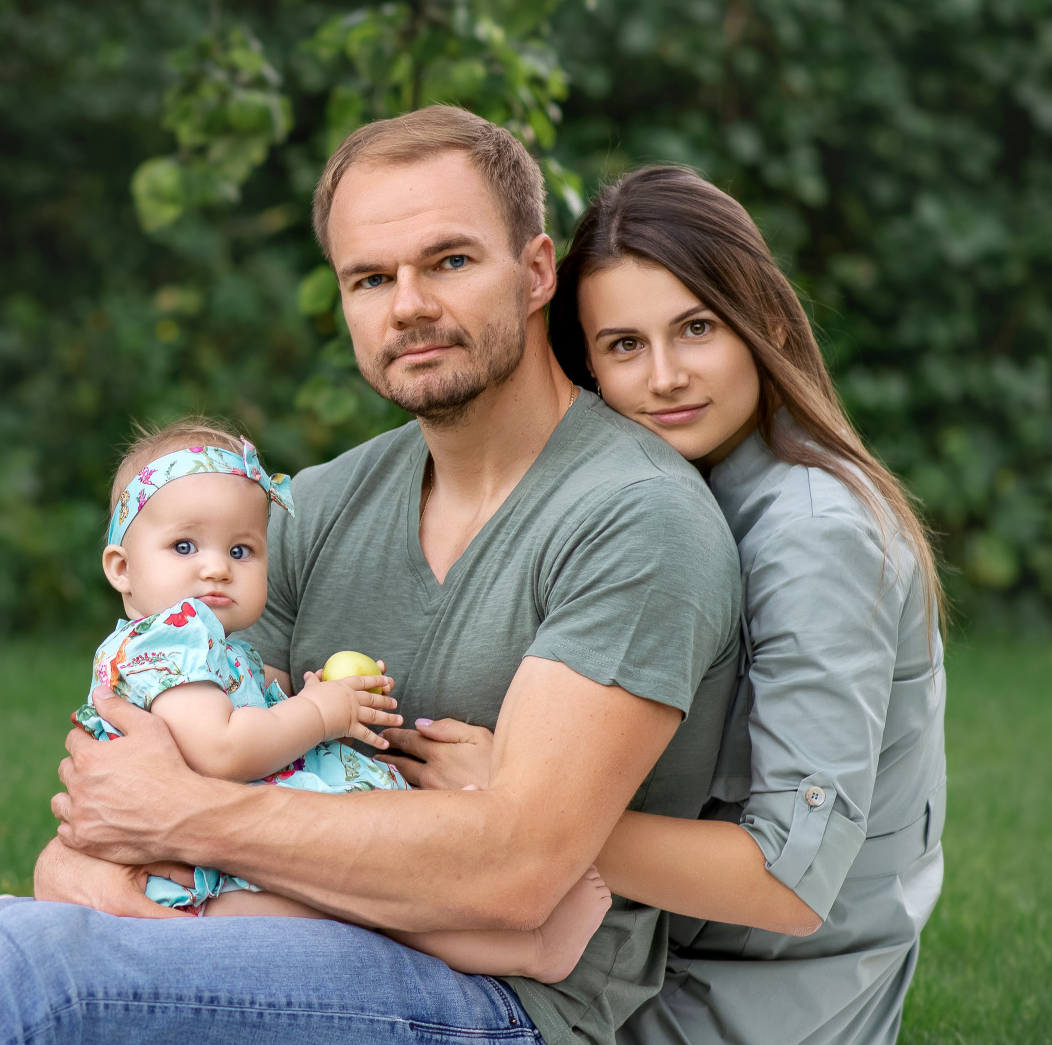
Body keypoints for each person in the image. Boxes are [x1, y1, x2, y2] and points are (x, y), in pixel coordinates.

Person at [0, 107, 742, 1045]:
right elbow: (107, 798)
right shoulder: (313, 506)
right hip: (290, 919)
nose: (410, 306)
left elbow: (515, 875)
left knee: (41, 974)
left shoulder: (629, 517)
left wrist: (184, 821)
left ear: (537, 270)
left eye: (449, 261)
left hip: (507, 1005)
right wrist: (115, 862)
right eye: (368, 277)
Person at [387, 166, 948, 1045]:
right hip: (615, 955)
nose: (664, 378)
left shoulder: (814, 535)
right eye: (621, 346)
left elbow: (787, 883)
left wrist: (518, 809)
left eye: (695, 329)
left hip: (741, 1006)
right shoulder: (655, 501)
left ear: (763, 324)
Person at [70, 418, 612, 981]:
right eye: (184, 545)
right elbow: (221, 750)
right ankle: (529, 953)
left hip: (221, 856)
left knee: (374, 898)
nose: (216, 567)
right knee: (366, 905)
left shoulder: (209, 645)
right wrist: (319, 713)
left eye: (241, 549)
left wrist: (301, 698)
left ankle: (521, 945)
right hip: (208, 887)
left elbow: (233, 724)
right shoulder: (171, 637)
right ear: (122, 568)